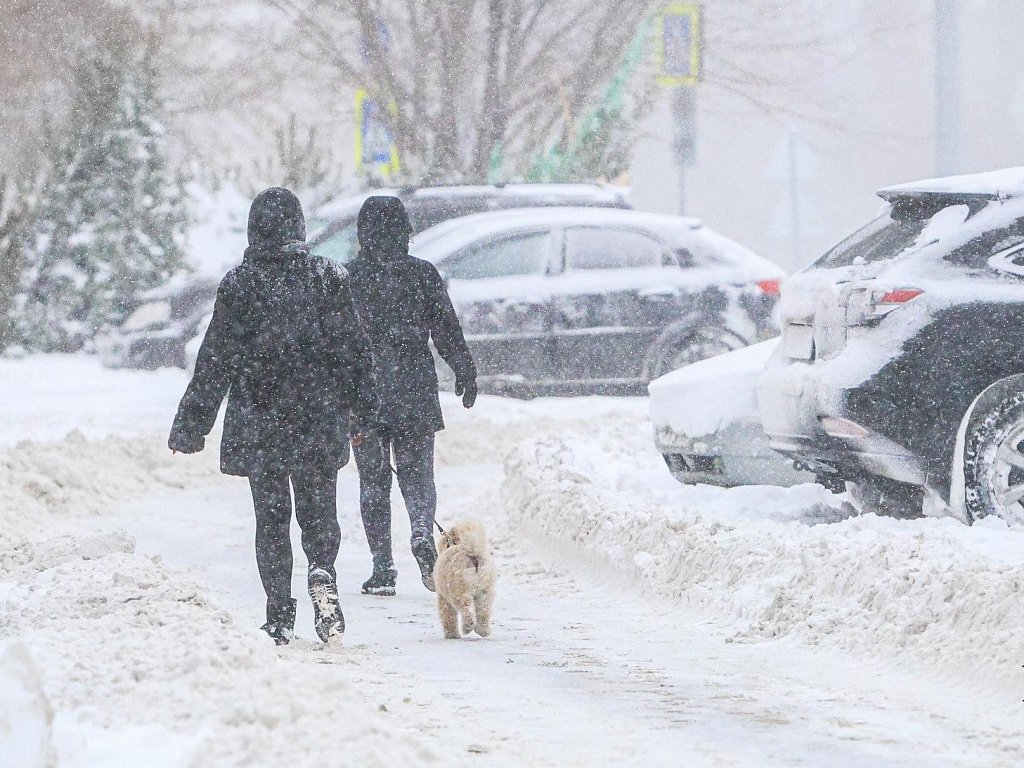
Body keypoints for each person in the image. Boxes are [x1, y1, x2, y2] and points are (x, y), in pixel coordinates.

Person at [168, 187, 378, 646]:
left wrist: (192, 424)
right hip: (318, 414)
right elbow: (353, 350)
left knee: (271, 519)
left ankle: (279, 614)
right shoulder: (328, 277)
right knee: (319, 511)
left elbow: (215, 358)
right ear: (299, 227)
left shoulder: (241, 284)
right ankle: (322, 570)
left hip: (260, 419)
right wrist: (363, 409)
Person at [347, 196, 477, 596]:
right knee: (418, 475)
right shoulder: (422, 275)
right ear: (405, 232)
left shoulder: (348, 278)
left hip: (365, 390)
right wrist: (464, 369)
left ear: (363, 234)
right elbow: (446, 330)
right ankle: (421, 530)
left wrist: (331, 388)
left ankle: (382, 568)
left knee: (373, 482)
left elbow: (334, 339)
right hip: (414, 387)